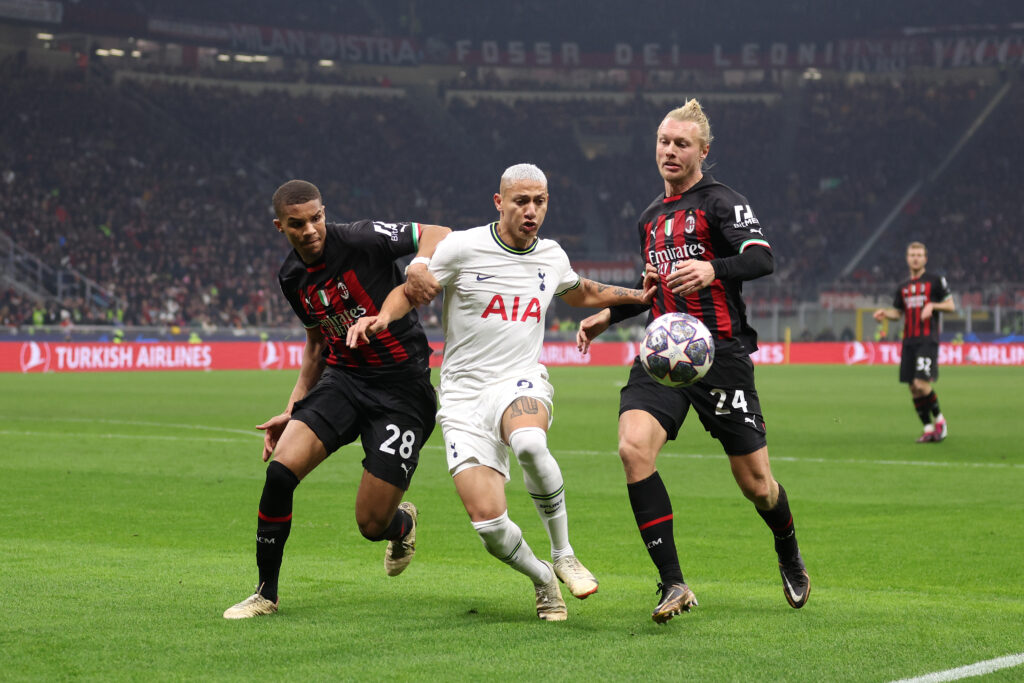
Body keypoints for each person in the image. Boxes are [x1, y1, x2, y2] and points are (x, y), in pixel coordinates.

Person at [347, 163, 656, 621]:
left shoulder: (550, 254)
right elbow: (408, 291)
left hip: (519, 379)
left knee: (530, 442)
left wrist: (635, 296)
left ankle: (564, 554)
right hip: (463, 396)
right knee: (490, 527)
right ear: (499, 202)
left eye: (540, 202)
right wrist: (383, 318)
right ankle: (543, 578)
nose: (531, 211)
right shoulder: (461, 248)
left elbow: (578, 291)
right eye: (521, 201)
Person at [576, 100, 810, 623]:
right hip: (663, 357)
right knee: (633, 448)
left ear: (704, 151)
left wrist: (713, 269)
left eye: (682, 144)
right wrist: (607, 316)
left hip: (721, 356)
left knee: (757, 485)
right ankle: (673, 583)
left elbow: (762, 257)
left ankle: (788, 547)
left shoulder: (723, 203)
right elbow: (652, 290)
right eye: (664, 141)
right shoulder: (648, 219)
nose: (670, 151)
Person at [223, 179, 451, 619]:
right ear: (280, 227)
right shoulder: (291, 277)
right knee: (279, 474)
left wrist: (419, 264)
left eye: (316, 218)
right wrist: (292, 410)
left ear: (324, 213)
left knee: (371, 525)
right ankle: (265, 594)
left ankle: (402, 523)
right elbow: (315, 346)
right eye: (297, 224)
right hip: (344, 379)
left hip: (402, 391)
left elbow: (436, 232)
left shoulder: (361, 238)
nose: (310, 230)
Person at [873, 242, 955, 443]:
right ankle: (927, 428)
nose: (916, 258)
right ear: (907, 258)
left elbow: (951, 305)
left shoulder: (936, 281)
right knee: (912, 386)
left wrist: (933, 306)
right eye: (912, 254)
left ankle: (940, 420)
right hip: (908, 341)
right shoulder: (903, 287)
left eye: (919, 254)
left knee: (921, 383)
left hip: (927, 339)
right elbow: (898, 313)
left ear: (925, 258)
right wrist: (886, 313)